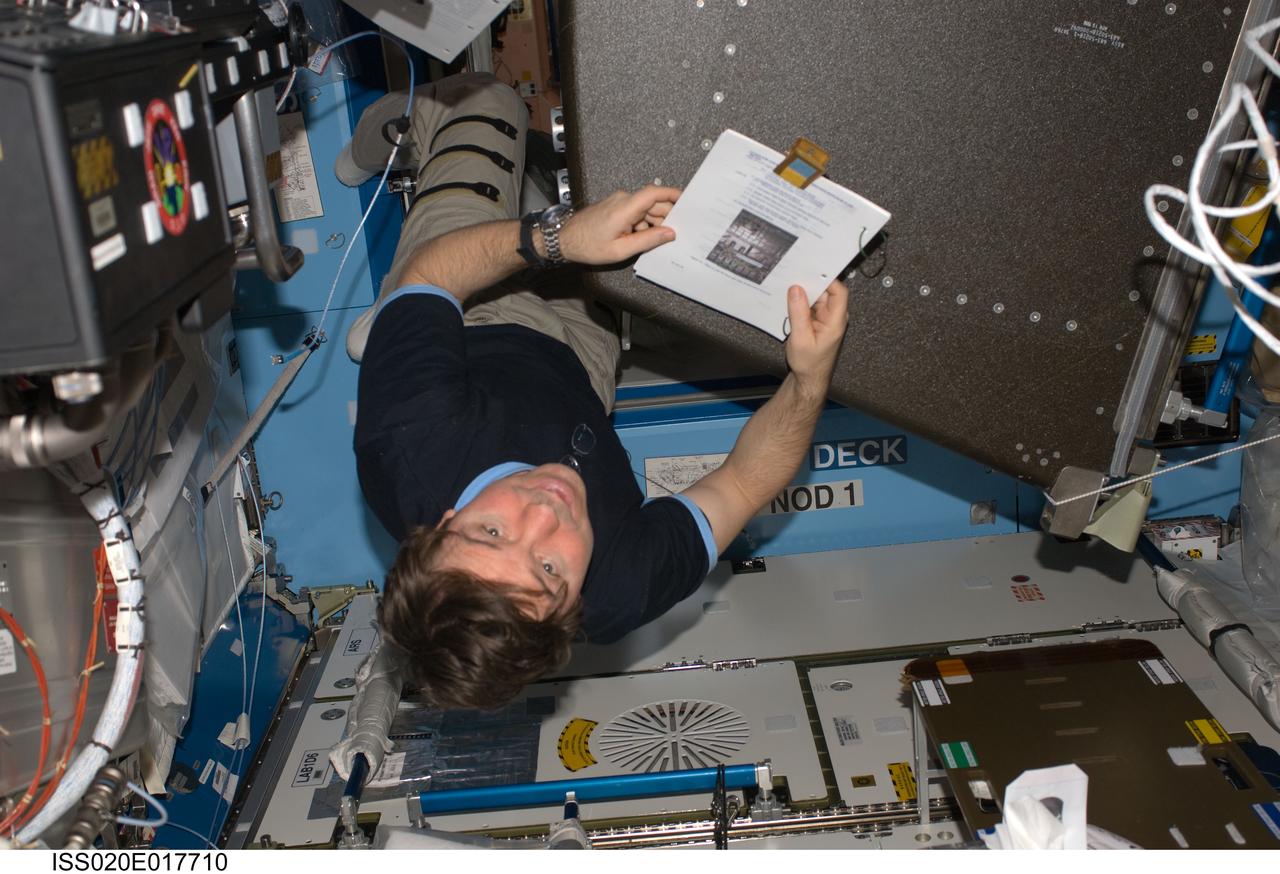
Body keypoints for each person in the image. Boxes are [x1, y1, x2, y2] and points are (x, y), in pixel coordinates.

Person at [345, 74, 848, 711]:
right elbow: (746, 484)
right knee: (666, 230)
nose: (545, 513)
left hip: (471, 320)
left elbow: (436, 274)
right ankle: (538, 210)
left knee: (488, 103)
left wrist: (555, 239)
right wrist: (809, 379)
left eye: (492, 532)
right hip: (577, 368)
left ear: (446, 525)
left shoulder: (409, 435)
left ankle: (384, 140)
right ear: (576, 608)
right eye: (550, 570)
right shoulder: (620, 591)